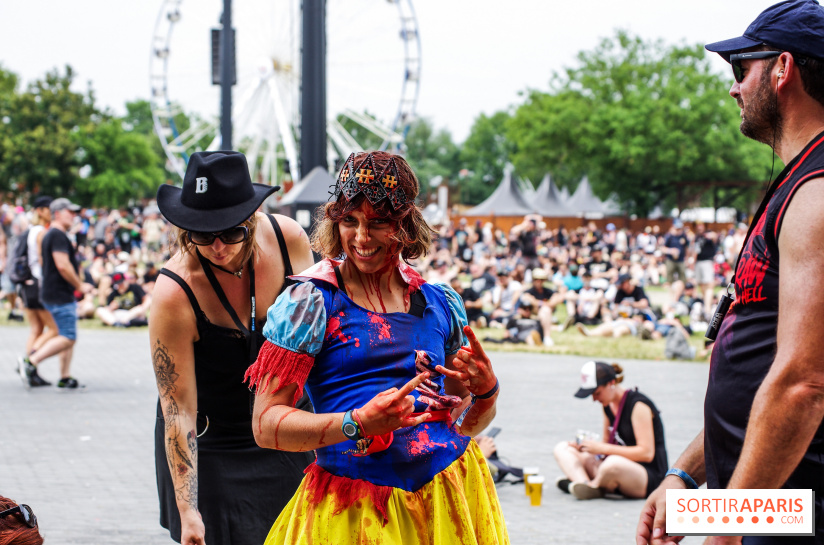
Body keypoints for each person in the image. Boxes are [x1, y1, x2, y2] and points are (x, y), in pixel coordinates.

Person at [244, 150, 508, 544]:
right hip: (355, 514)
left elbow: (464, 424)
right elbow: (265, 427)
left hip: (448, 499)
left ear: (405, 225)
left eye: (378, 222)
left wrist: (487, 393)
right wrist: (357, 422)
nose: (361, 237)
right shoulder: (311, 303)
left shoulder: (439, 303)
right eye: (349, 221)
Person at [637, 2, 824, 543]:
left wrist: (726, 527)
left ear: (783, 69)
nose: (734, 88)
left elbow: (803, 384)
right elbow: (756, 377)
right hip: (772, 497)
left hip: (792, 506)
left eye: (740, 69)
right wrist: (684, 475)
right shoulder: (798, 182)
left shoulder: (817, 192)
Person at [150, 151, 315, 545]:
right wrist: (189, 511)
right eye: (202, 234)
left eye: (231, 233)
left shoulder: (288, 239)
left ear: (252, 219)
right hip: (210, 443)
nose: (218, 246)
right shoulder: (174, 293)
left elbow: (317, 338)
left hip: (283, 426)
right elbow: (178, 413)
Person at [554, 361, 667, 501]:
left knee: (612, 463)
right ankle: (585, 485)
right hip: (615, 466)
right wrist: (586, 447)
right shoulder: (607, 405)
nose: (594, 399)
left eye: (597, 393)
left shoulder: (638, 405)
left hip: (647, 476)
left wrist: (602, 448)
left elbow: (646, 453)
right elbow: (606, 444)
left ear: (611, 383)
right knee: (562, 448)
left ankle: (594, 485)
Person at [18, 198, 93, 389]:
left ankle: (64, 376)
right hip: (58, 293)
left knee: (65, 334)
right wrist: (79, 285)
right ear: (57, 213)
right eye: (70, 212)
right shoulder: (57, 234)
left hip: (54, 291)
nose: (74, 216)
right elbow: (62, 265)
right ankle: (30, 362)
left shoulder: (51, 234)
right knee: (68, 336)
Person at [18, 196, 59, 361]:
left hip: (28, 285)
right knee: (55, 330)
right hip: (38, 284)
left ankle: (29, 371)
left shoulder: (31, 230)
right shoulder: (41, 232)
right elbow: (44, 262)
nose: (53, 213)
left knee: (36, 329)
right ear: (40, 211)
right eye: (50, 209)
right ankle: (29, 361)